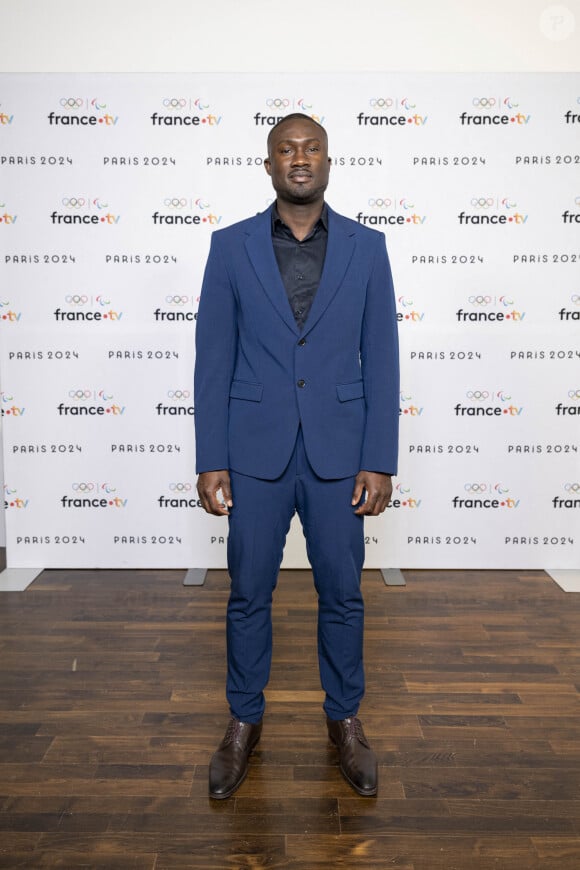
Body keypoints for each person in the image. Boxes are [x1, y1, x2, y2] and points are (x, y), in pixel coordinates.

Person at [194, 113, 399, 800]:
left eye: (311, 149)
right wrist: (211, 456)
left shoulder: (369, 250)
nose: (300, 159)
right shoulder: (229, 248)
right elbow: (213, 360)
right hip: (254, 451)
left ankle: (344, 722)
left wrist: (380, 458)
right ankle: (243, 723)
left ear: (329, 163)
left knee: (342, 595)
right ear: (269, 164)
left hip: (341, 453)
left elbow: (384, 360)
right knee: (249, 593)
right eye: (287, 149)